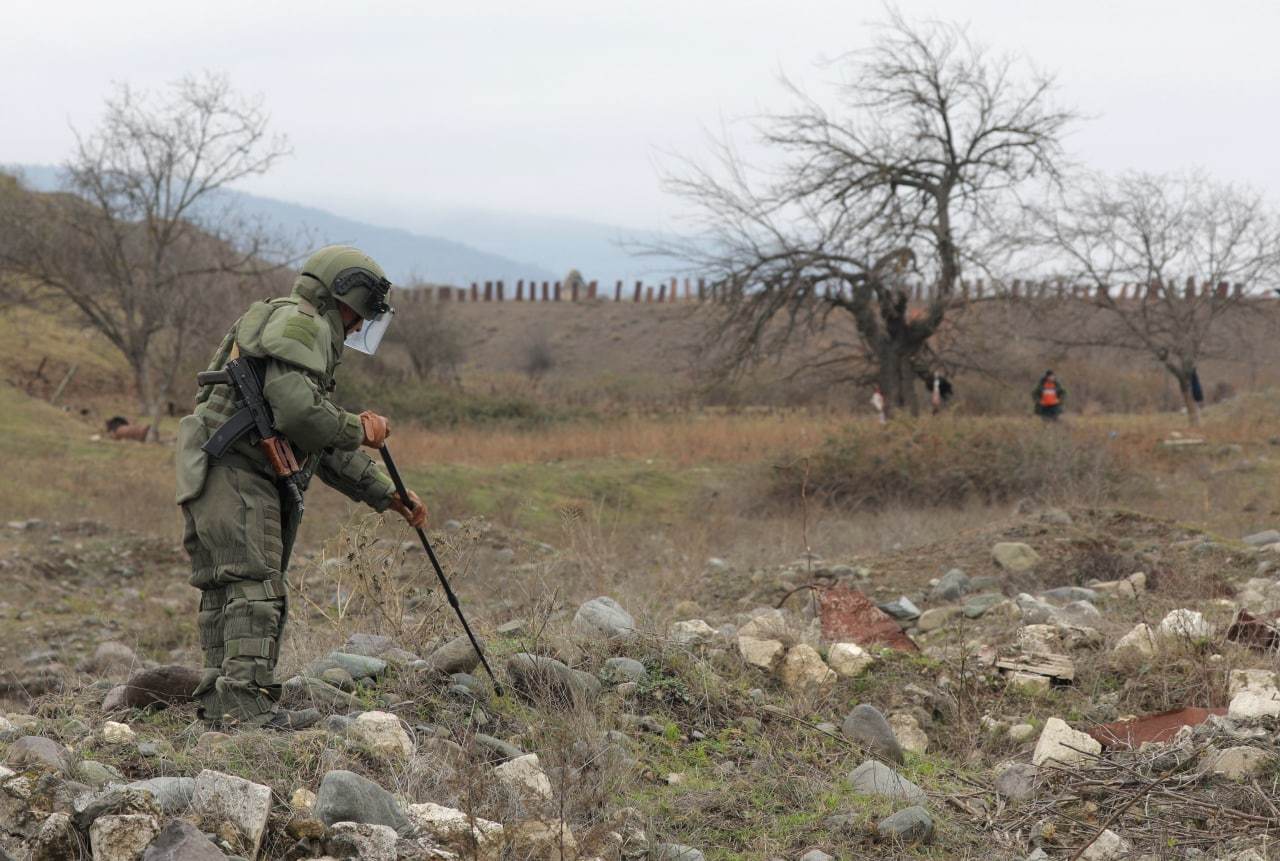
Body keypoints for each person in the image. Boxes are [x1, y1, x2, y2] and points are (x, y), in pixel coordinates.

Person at [174, 246, 428, 730]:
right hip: (236, 473)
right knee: (253, 586)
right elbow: (299, 414)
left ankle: (220, 707)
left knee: (224, 588)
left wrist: (386, 492)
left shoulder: (283, 322)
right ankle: (245, 711)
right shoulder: (302, 324)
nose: (357, 328)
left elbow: (313, 440)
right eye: (360, 315)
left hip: (210, 469)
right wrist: (360, 427)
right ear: (344, 296)